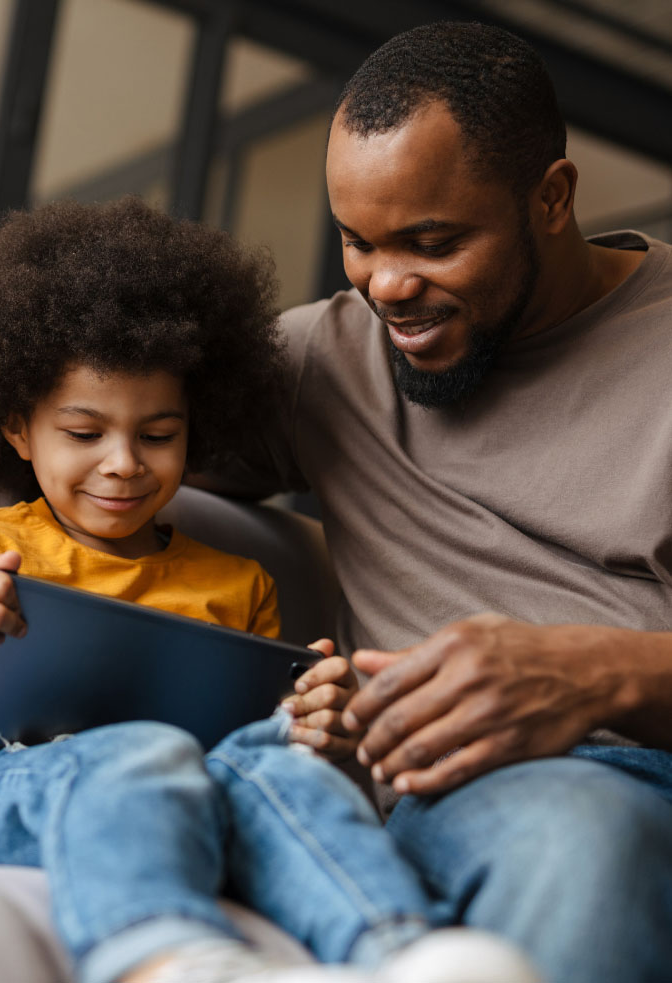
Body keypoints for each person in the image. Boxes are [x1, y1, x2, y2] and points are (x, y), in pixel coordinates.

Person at [0, 197, 541, 983]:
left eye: (158, 435)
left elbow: (253, 767)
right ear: (16, 427)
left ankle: (403, 949)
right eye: (83, 432)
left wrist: (315, 729)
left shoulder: (238, 582)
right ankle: (166, 957)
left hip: (190, 797)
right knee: (140, 749)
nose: (123, 463)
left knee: (272, 763)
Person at [201, 21, 672, 983]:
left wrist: (602, 671)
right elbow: (89, 429)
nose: (387, 286)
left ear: (552, 196)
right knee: (582, 830)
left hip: (641, 773)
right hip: (476, 798)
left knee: (596, 822)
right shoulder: (321, 360)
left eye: (432, 242)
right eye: (357, 243)